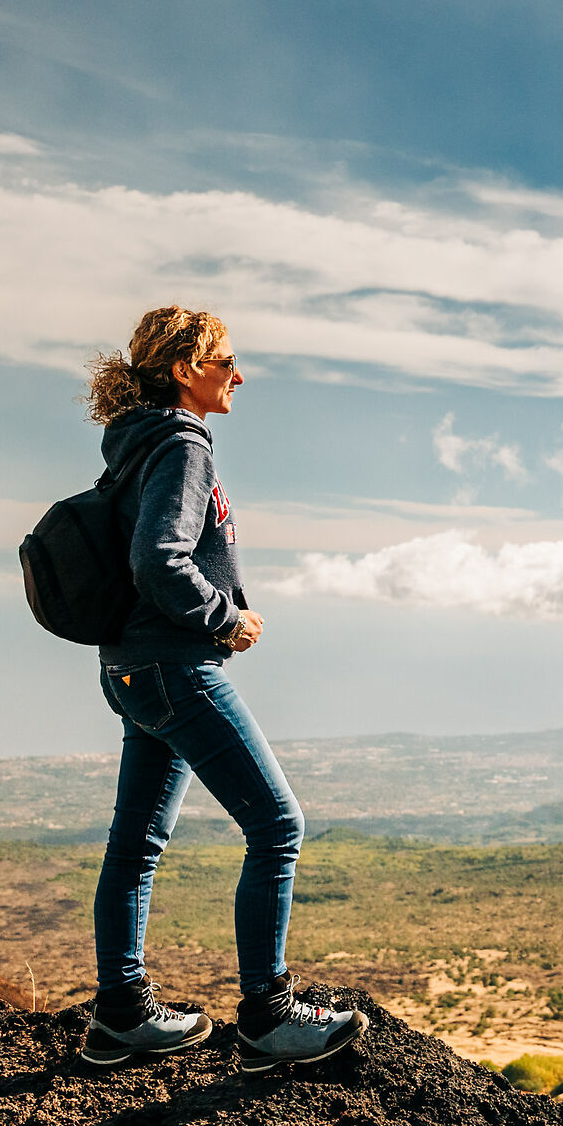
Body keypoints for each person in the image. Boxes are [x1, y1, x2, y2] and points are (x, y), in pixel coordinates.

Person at [76, 305, 366, 1073]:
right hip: (175, 666)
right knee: (278, 826)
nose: (239, 375)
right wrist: (227, 619)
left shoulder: (135, 444)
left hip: (133, 668)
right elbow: (160, 560)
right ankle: (270, 1019)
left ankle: (120, 1017)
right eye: (225, 361)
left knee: (135, 845)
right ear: (184, 370)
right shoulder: (180, 443)